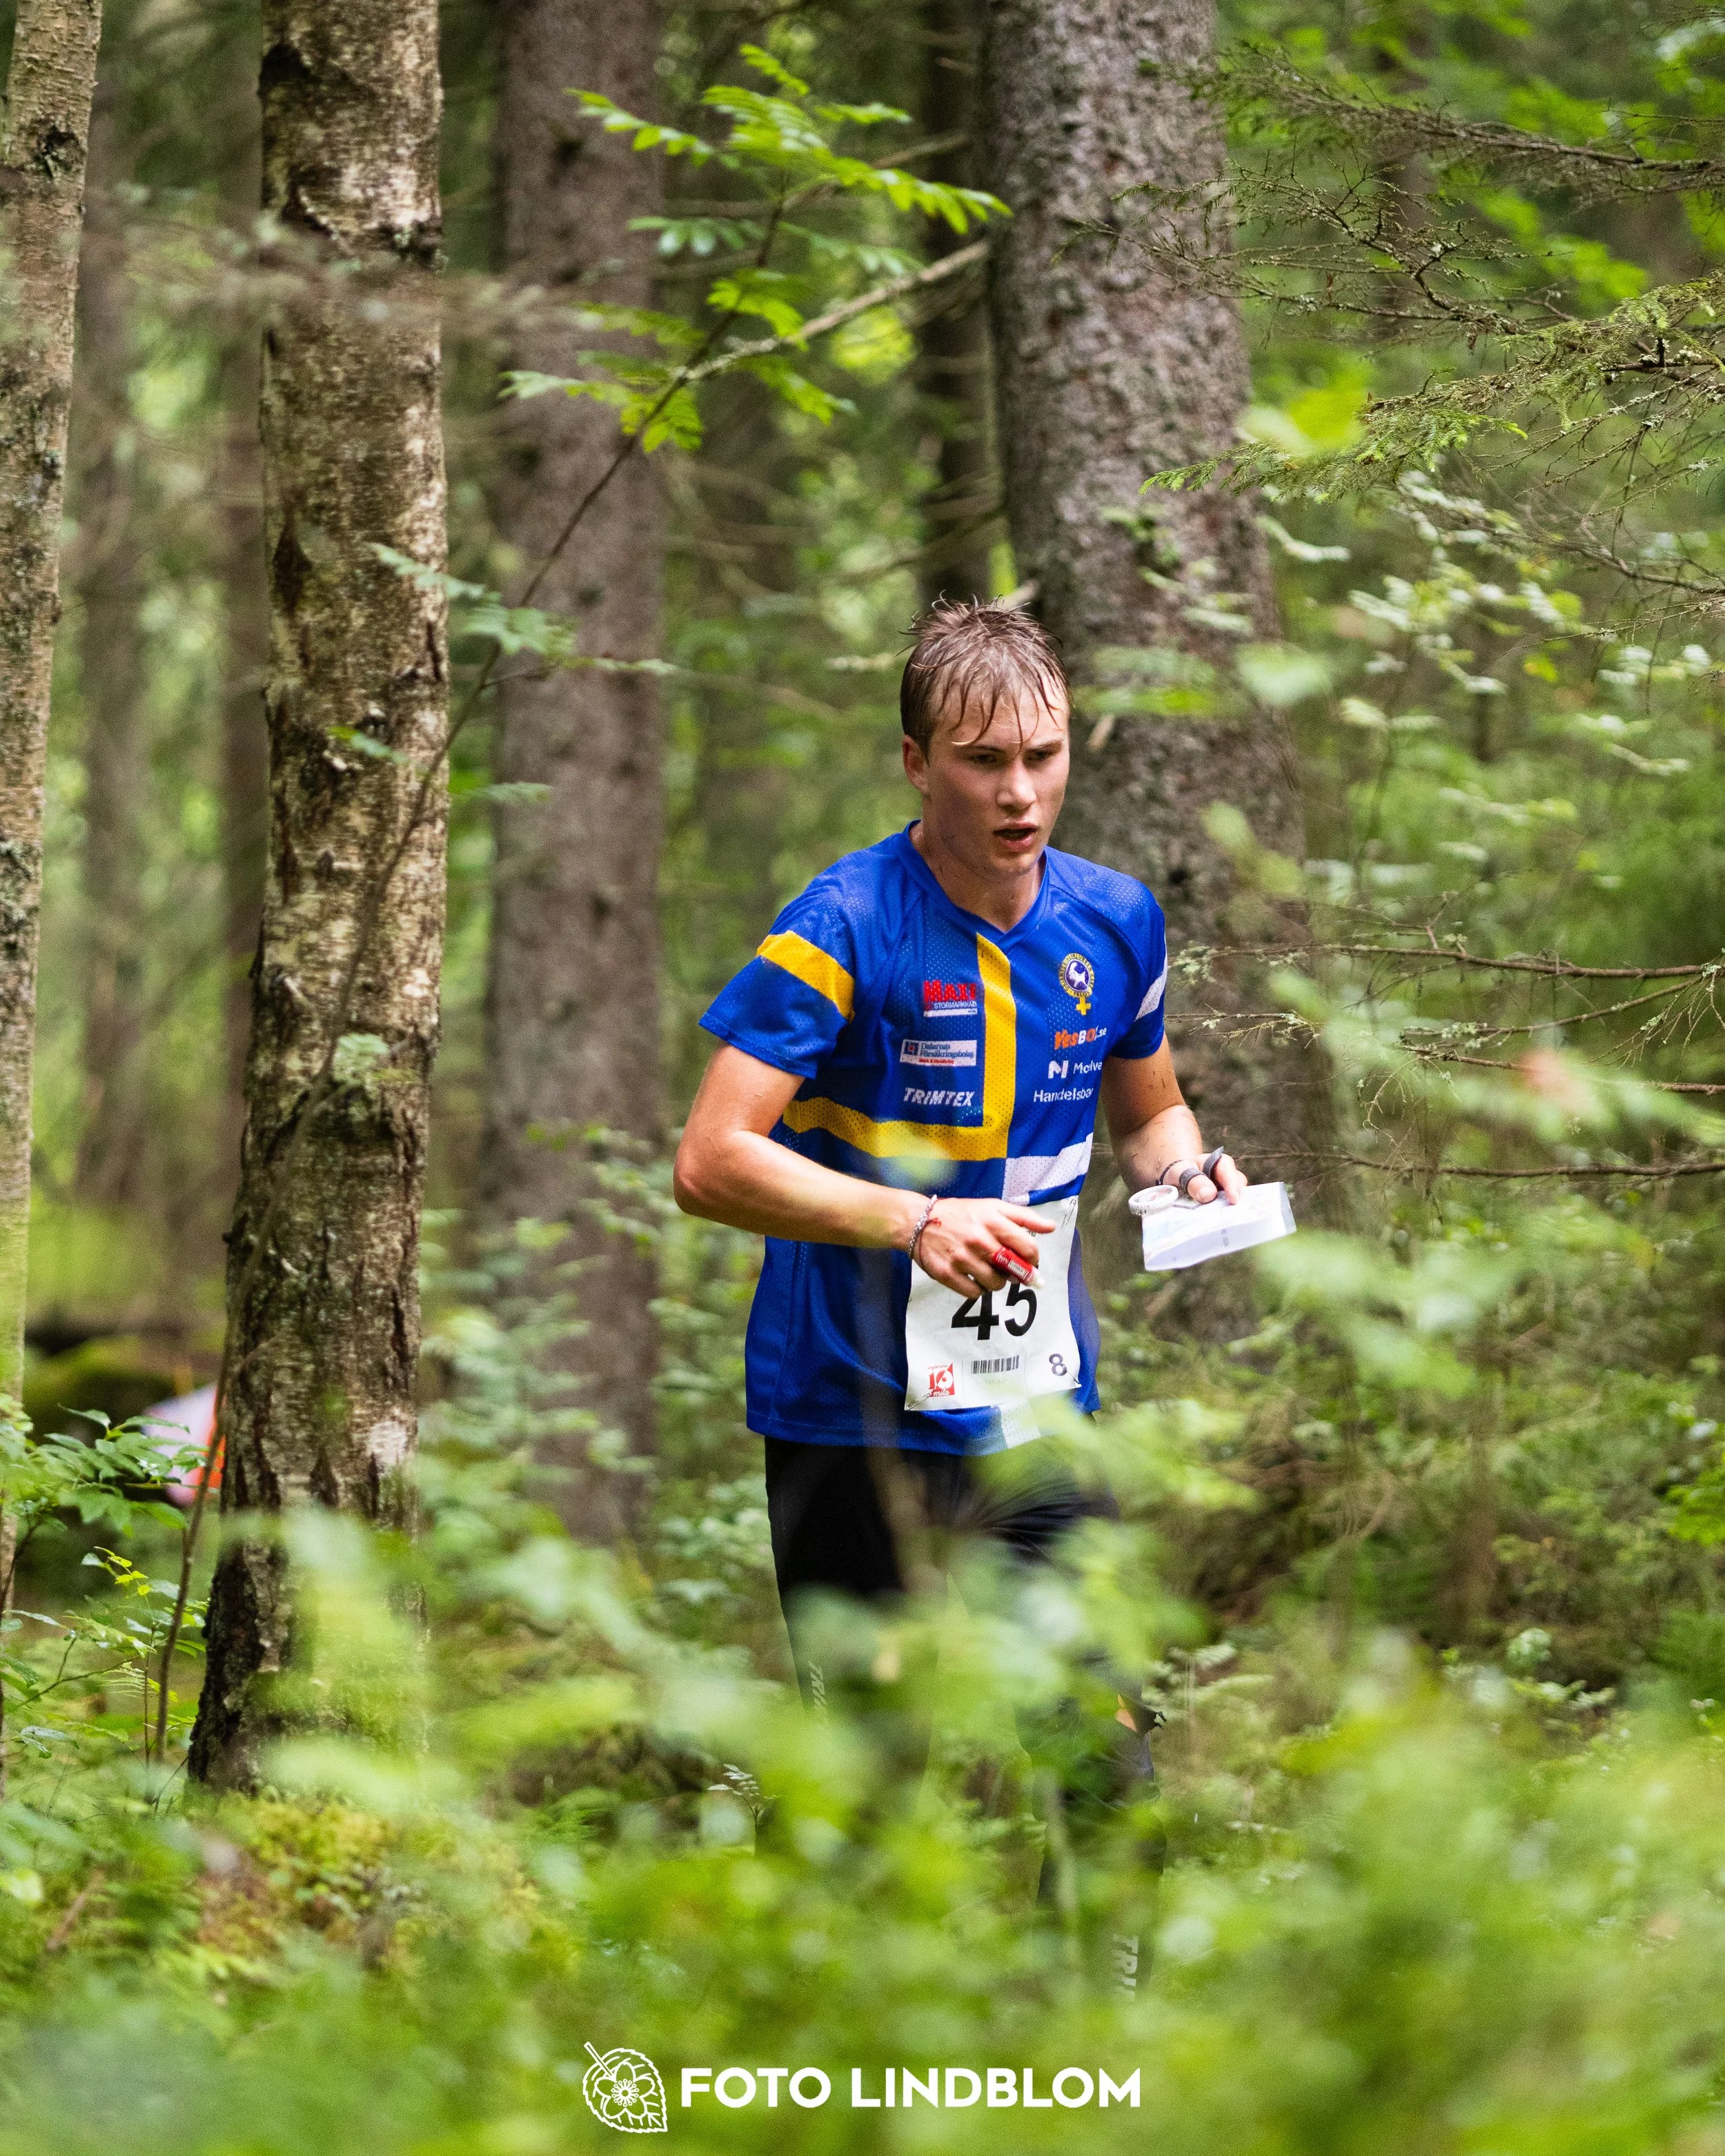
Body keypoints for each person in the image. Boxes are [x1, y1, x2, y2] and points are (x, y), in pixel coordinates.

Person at [674, 600, 1246, 1977]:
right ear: (915, 761)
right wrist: (908, 1217)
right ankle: (829, 2062)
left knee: (1098, 1742)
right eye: (983, 760)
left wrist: (1188, 1177)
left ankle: (1099, 2055)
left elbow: (1147, 1117)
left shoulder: (1113, 918)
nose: (1019, 792)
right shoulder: (842, 920)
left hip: (1033, 1400)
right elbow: (707, 1157)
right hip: (843, 1400)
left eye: (1041, 756)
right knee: (858, 1780)